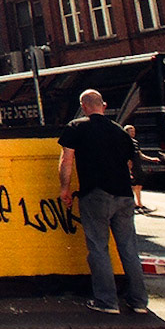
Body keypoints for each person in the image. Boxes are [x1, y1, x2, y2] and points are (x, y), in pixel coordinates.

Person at [58, 89, 149, 314]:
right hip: (125, 196)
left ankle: (107, 302)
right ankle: (139, 302)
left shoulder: (77, 127)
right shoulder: (121, 132)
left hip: (96, 194)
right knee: (129, 249)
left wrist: (65, 188)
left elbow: (66, 160)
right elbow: (130, 165)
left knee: (98, 247)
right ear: (104, 105)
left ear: (84, 106)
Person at [124, 124, 155, 214]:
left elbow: (139, 154)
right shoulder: (125, 142)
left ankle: (139, 203)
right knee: (132, 185)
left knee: (139, 183)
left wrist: (151, 159)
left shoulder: (135, 142)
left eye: (134, 131)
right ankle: (133, 204)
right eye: (131, 131)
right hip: (131, 166)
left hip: (138, 165)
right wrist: (128, 168)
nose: (133, 132)